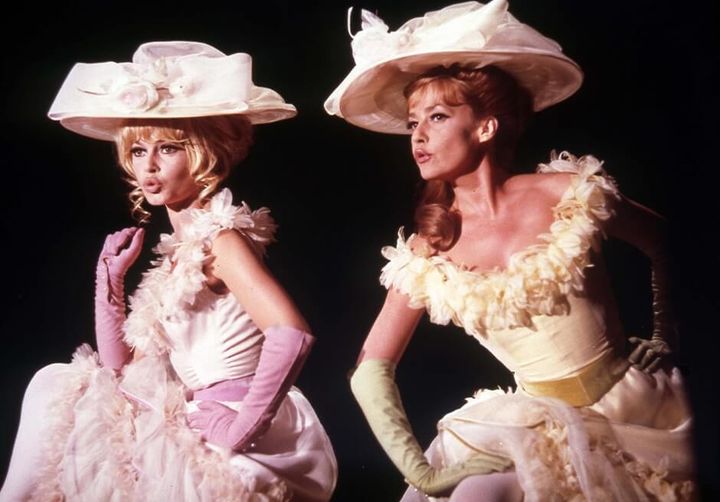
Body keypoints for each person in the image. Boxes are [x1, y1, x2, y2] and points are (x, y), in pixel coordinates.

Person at [324, 1, 695, 501]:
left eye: (437, 117)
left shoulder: (568, 194)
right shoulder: (430, 250)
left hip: (637, 412)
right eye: (413, 124)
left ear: (486, 127)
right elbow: (370, 369)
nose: (419, 136)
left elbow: (668, 242)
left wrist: (665, 332)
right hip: (537, 421)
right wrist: (420, 472)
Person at [1, 41, 337, 501]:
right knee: (62, 386)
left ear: (205, 153)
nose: (150, 165)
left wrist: (241, 427)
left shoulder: (222, 240)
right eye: (139, 150)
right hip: (188, 419)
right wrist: (109, 284)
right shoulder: (179, 255)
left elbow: (291, 332)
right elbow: (121, 370)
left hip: (225, 426)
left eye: (168, 148)